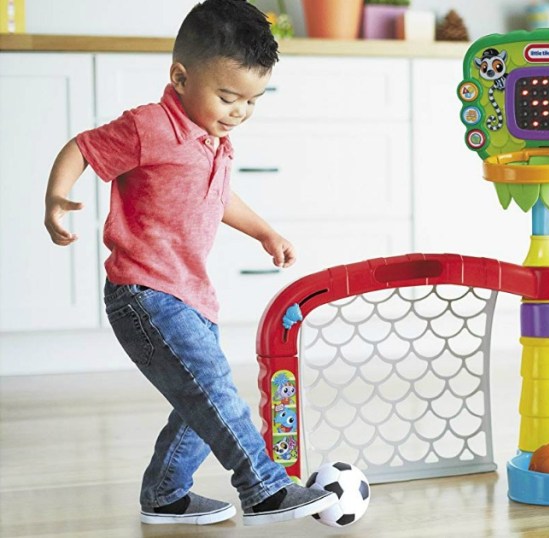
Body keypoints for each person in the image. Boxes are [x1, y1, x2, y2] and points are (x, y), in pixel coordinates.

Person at [42, 0, 334, 527]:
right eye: (227, 97)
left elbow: (219, 200)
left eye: (252, 100)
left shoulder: (213, 140)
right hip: (145, 292)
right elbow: (83, 149)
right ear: (179, 77)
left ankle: (166, 495)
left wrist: (265, 230)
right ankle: (264, 489)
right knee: (213, 390)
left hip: (190, 293)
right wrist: (57, 198)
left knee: (198, 398)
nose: (238, 111)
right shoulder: (149, 127)